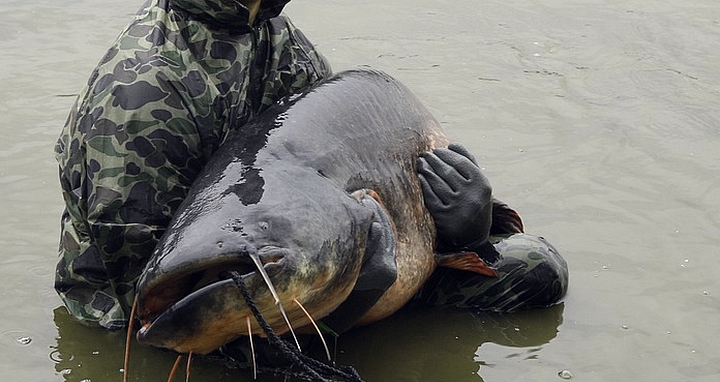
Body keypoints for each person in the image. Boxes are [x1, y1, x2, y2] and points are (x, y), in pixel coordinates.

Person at [55, 0, 567, 336]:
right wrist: (343, 302)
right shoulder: (140, 93)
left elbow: (319, 175)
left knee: (534, 270)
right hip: (170, 309)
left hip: (298, 261)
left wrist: (469, 224)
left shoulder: (274, 38)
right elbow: (143, 300)